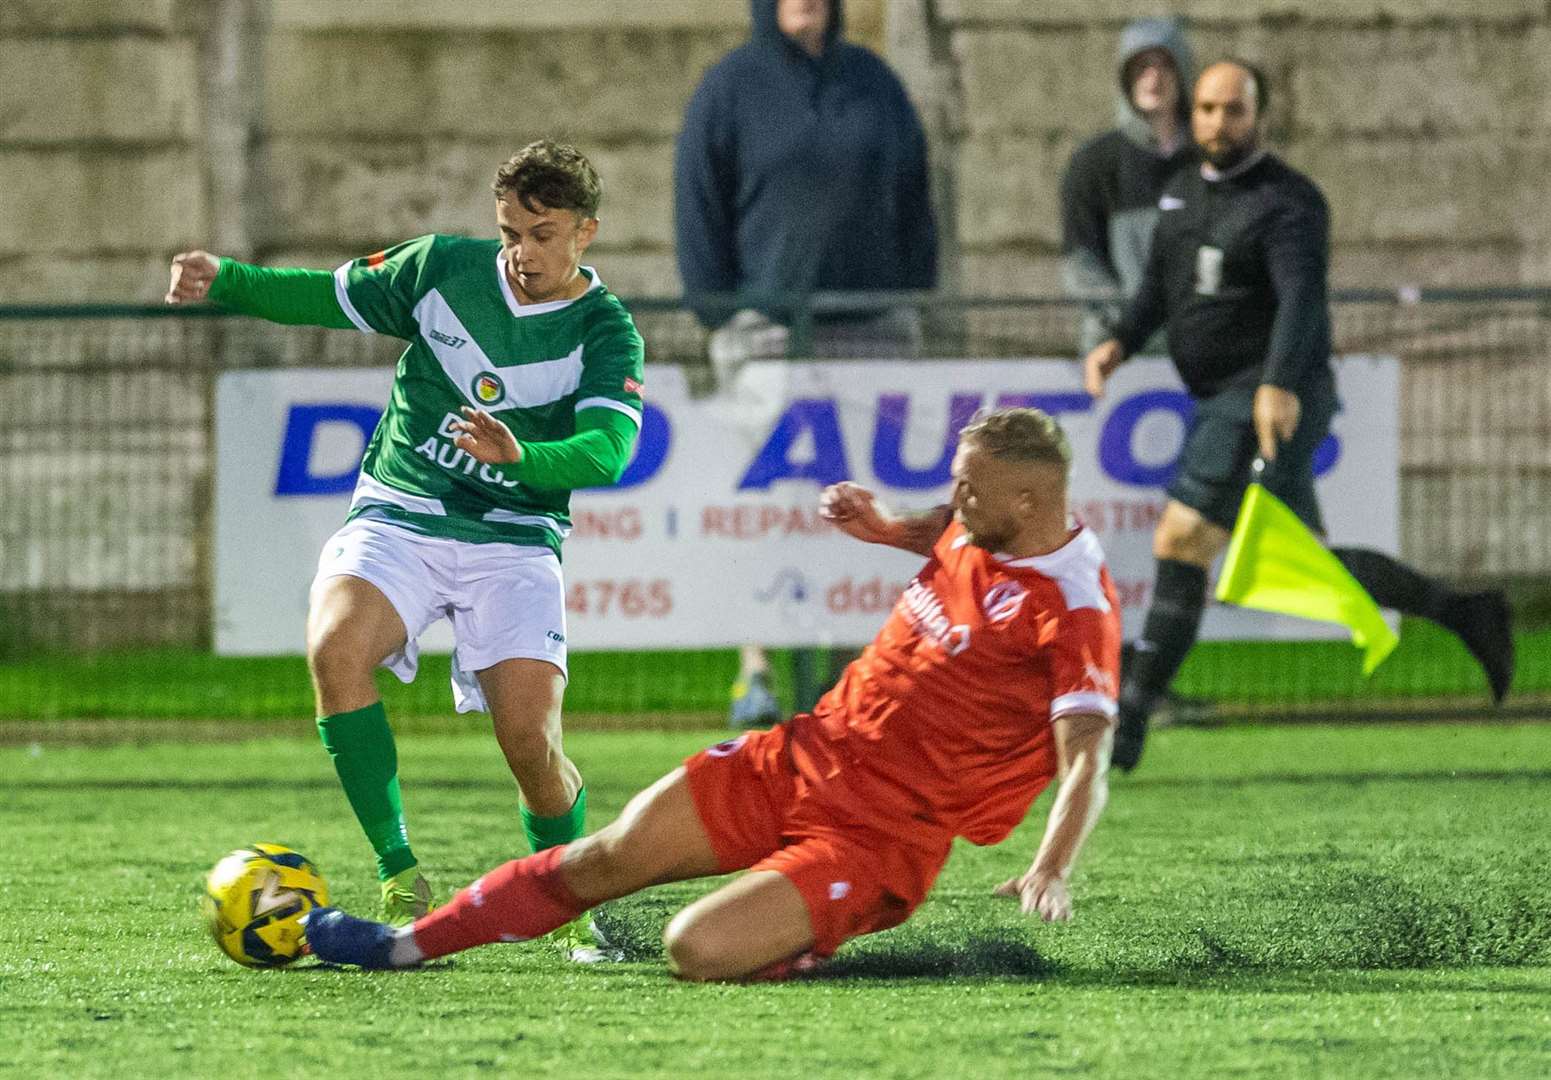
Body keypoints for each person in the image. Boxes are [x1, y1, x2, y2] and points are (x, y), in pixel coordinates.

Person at [303, 407, 1121, 980]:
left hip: (882, 836)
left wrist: (1050, 867)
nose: (957, 501)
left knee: (695, 950)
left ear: (1029, 502)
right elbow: (938, 528)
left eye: (971, 490)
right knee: (605, 857)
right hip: (799, 755)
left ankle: (811, 936)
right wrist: (881, 529)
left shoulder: (1075, 606)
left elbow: (1085, 763)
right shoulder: (976, 519)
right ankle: (400, 945)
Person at [165, 141, 646, 944]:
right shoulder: (440, 271)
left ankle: (565, 902)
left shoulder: (606, 332)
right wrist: (230, 281)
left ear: (584, 232)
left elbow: (607, 452)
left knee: (529, 741)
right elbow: (328, 296)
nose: (521, 252)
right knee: (335, 647)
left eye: (542, 233)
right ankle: (399, 875)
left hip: (514, 537)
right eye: (508, 232)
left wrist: (521, 455)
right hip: (402, 512)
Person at [1082, 62, 1515, 772]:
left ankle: (1128, 720)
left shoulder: (1288, 201)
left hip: (1265, 396)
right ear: (1192, 114)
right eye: (1208, 110)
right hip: (1223, 397)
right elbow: (1159, 293)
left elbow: (1300, 301)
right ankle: (1465, 613)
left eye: (1234, 111)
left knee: (1183, 534)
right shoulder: (1180, 192)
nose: (1218, 124)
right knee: (1297, 563)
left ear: (1260, 115)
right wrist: (1118, 342)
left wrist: (1278, 383)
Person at [674, 0, 940, 729]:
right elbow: (697, 207)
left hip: (871, 329)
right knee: (772, 509)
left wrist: (908, 286)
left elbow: (916, 195)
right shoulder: (727, 88)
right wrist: (720, 310)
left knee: (869, 506)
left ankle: (852, 671)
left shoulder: (874, 83)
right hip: (767, 334)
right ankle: (756, 672)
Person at [1061, 17, 1196, 356]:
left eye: (1164, 64)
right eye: (1140, 66)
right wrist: (1131, 324)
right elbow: (1082, 263)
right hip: (1118, 351)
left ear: (1182, 73)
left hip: (1200, 350)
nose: (1153, 77)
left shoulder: (1208, 160)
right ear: (1125, 78)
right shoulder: (1093, 163)